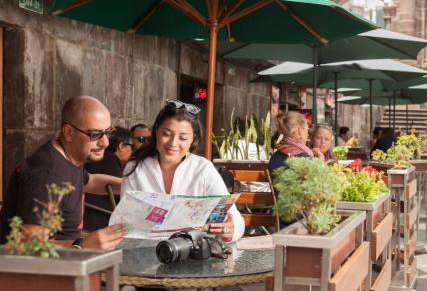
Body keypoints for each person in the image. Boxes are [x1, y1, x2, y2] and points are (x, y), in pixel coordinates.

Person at [0, 96, 126, 250]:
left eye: (108, 132)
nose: (105, 142)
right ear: (68, 132)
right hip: (38, 272)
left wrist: (130, 187)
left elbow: (90, 181)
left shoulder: (68, 158)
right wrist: (82, 245)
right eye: (95, 134)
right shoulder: (48, 174)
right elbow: (28, 245)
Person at [122, 99, 244, 242]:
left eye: (183, 137)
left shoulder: (203, 169)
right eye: (166, 134)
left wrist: (229, 230)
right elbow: (126, 219)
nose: (173, 143)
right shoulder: (136, 168)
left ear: (193, 139)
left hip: (192, 252)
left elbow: (235, 219)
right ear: (156, 132)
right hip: (144, 251)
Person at [83, 126, 133, 232]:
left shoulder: (100, 158)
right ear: (122, 146)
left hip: (89, 214)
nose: (132, 151)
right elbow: (120, 196)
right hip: (99, 218)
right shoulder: (110, 159)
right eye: (131, 146)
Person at [268, 111, 323, 176]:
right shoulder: (305, 159)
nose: (307, 134)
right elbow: (320, 182)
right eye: (307, 130)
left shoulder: (274, 157)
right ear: (300, 131)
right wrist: (320, 161)